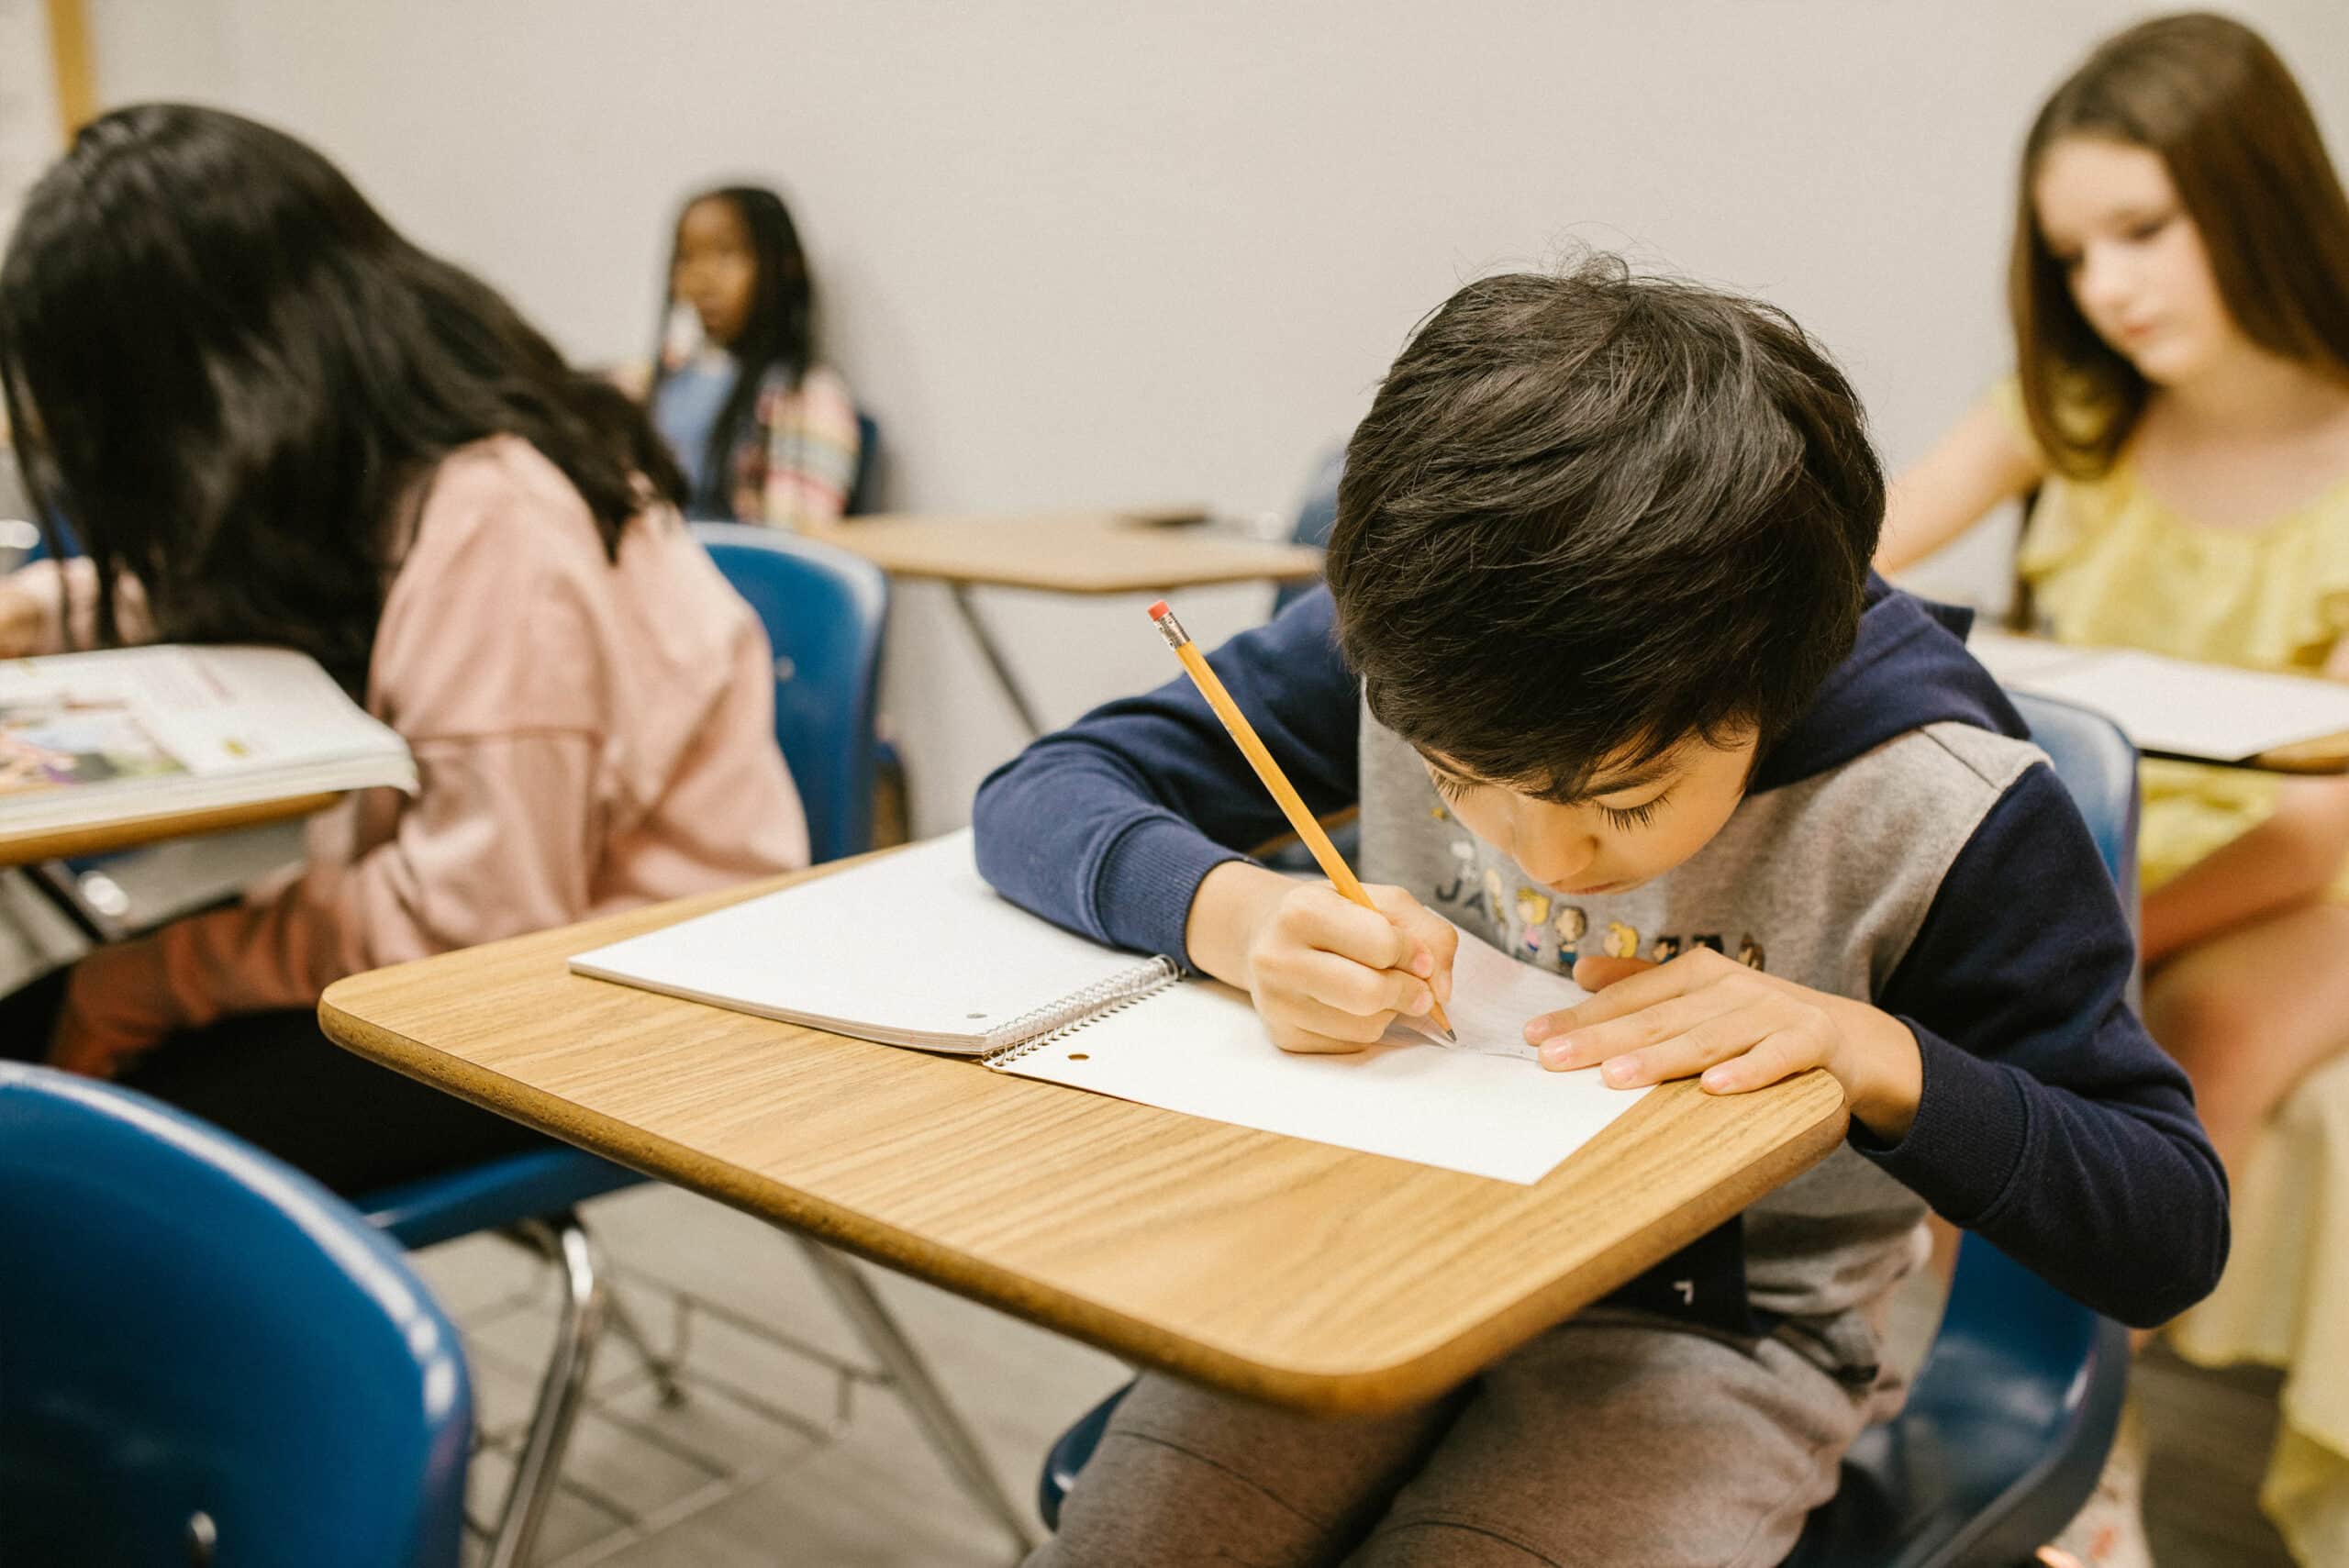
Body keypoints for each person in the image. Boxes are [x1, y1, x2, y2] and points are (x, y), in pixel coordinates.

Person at [973, 254, 2227, 1567]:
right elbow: (1045, 790)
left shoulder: (1940, 800)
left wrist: (1869, 1053)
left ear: (1778, 684)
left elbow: (2168, 1227)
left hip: (1716, 1334)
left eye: (1624, 804)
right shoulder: (1433, 655)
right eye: (1463, 787)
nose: (1548, 856)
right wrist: (1233, 915)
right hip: (1391, 1240)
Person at [0, 104, 809, 1193]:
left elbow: (475, 922)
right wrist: (34, 613)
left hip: (609, 1000)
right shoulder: (389, 454)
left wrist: (151, 979)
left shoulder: (494, 517)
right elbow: (251, 572)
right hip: (509, 936)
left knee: (66, 1159)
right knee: (40, 1047)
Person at [1875, 16, 2349, 1562]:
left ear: (2261, 190)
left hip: (2308, 871)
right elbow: (1847, 551)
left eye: (2146, 230)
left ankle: (2053, 1403)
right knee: (1964, 1017)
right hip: (2116, 843)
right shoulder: (2070, 411)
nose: (2111, 288)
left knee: (2185, 1034)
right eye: (2077, 253)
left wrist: (2095, 919)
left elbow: (2318, 828)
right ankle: (2078, 1436)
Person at [641, 184, 861, 527]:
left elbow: (793, 544)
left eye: (727, 254)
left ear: (786, 266)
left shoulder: (806, 396)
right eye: (687, 257)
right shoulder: (654, 384)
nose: (702, 279)